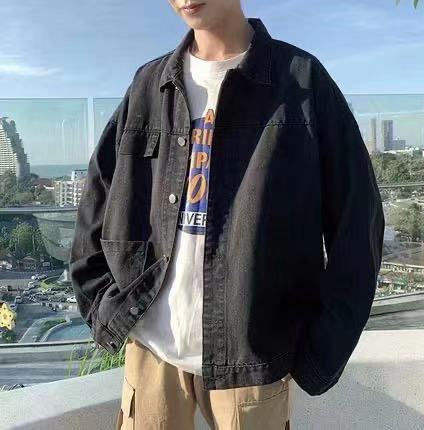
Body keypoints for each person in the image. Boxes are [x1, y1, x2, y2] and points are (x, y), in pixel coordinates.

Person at [69, 1, 385, 429]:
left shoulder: (301, 81)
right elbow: (97, 200)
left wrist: (318, 350)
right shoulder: (149, 84)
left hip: (252, 356)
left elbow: (358, 223)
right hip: (150, 347)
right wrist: (102, 304)